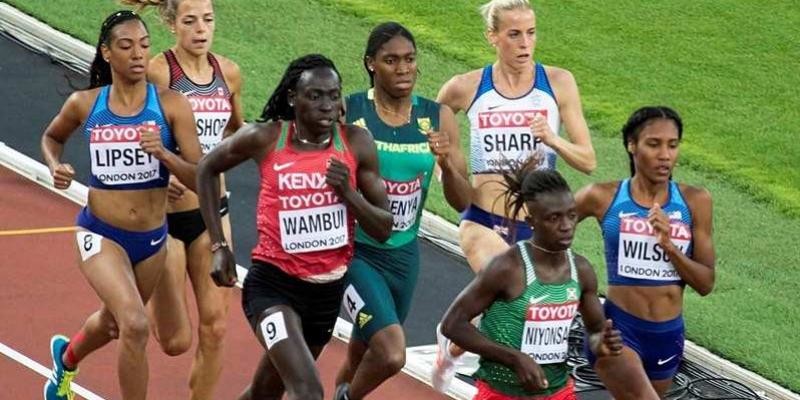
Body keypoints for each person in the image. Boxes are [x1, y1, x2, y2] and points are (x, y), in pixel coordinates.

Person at [196, 54, 392, 400]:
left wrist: (348, 193)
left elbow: (383, 227)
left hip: (326, 294)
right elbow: (207, 168)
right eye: (315, 96)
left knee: (265, 391)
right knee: (308, 391)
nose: (326, 105)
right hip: (273, 286)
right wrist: (219, 245)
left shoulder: (356, 144)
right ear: (292, 97)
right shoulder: (266, 137)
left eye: (333, 95)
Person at [433, 0, 596, 389]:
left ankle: (452, 344)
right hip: (483, 219)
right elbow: (441, 137)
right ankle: (466, 343)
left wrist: (552, 139)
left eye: (531, 33)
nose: (525, 43)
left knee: (514, 305)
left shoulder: (557, 83)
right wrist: (446, 167)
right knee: (513, 291)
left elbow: (588, 160)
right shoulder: (464, 87)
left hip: (536, 229)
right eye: (514, 34)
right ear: (492, 37)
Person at [41, 10, 201, 400]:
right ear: (107, 53)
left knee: (115, 323)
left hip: (151, 241)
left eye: (144, 45)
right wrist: (55, 165)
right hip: (100, 234)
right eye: (126, 46)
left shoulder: (172, 106)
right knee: (135, 323)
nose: (138, 54)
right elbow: (52, 137)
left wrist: (164, 155)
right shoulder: (86, 104)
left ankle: (68, 357)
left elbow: (201, 177)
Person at [332, 22, 471, 400]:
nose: (403, 69)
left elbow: (462, 201)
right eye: (391, 60)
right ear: (371, 63)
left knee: (361, 354)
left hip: (404, 258)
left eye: (409, 59)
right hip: (355, 251)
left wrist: (447, 162)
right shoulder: (350, 111)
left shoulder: (437, 117)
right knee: (391, 353)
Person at [121, 1, 244, 398]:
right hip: (166, 219)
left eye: (208, 20)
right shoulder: (158, 72)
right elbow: (126, 133)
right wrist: (164, 172)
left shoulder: (228, 73)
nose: (201, 29)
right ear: (172, 24)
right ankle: (135, 299)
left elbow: (235, 131)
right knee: (174, 341)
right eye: (190, 21)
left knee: (217, 327)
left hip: (213, 216)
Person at [440, 167, 632, 400]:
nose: (566, 225)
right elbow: (453, 324)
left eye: (571, 215)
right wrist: (514, 358)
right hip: (502, 394)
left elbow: (595, 331)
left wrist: (600, 345)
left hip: (558, 392)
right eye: (554, 218)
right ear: (532, 221)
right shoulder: (507, 268)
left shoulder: (581, 270)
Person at [575, 106, 715, 399]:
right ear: (632, 145)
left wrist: (669, 246)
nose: (665, 155)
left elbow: (705, 283)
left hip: (667, 335)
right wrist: (575, 285)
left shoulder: (695, 202)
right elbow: (547, 228)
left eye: (672, 145)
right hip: (617, 331)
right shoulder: (602, 197)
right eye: (654, 144)